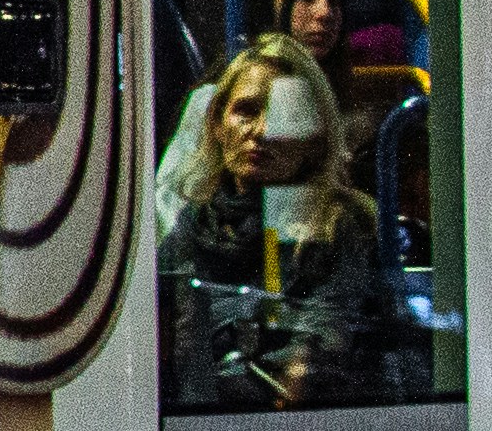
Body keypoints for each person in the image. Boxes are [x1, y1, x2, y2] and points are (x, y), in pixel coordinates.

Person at [159, 33, 411, 409]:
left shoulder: (339, 225)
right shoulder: (193, 228)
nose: (260, 132)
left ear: (313, 137)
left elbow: (311, 364)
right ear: (215, 122)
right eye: (245, 110)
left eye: (282, 116)